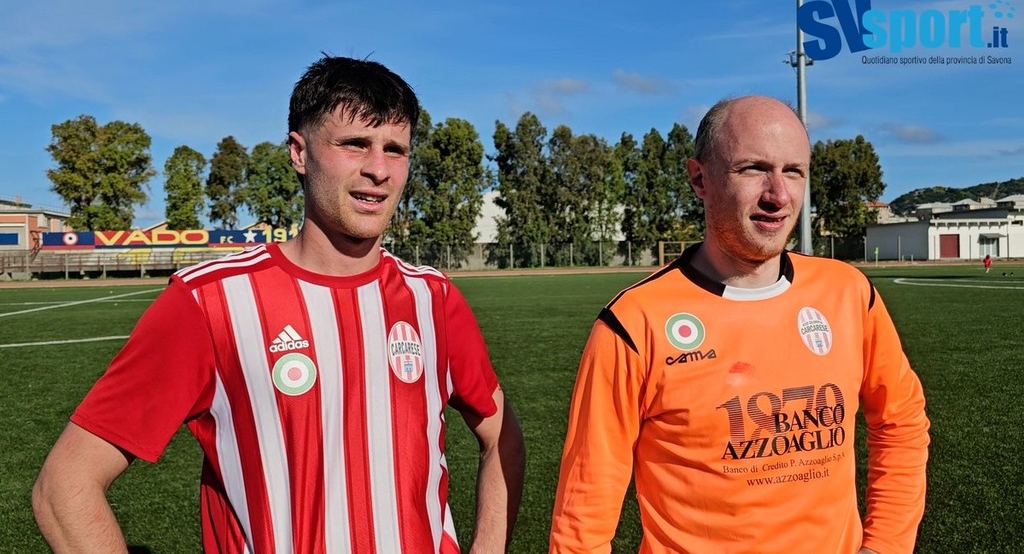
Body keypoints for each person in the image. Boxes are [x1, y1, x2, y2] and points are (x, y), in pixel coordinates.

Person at [33, 56, 526, 554]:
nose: (378, 169)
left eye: (394, 149)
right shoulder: (211, 302)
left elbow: (502, 436)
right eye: (354, 144)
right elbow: (64, 487)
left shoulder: (433, 299)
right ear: (299, 152)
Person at [549, 96, 930, 554]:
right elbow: (583, 516)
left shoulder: (848, 293)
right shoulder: (633, 323)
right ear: (700, 179)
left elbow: (901, 421)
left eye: (794, 171)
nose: (778, 195)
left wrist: (885, 545)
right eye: (753, 169)